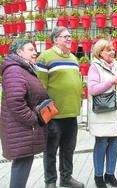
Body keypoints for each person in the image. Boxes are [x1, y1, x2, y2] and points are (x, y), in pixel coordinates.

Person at [37, 26, 84, 188]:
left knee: (68, 149)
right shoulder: (45, 57)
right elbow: (40, 87)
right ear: (55, 39)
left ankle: (66, 178)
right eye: (66, 36)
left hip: (71, 113)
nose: (69, 39)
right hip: (53, 115)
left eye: (70, 36)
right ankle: (50, 182)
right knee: (50, 151)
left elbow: (77, 80)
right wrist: (44, 111)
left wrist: (80, 96)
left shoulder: (73, 58)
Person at [0, 39, 48, 188]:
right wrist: (34, 119)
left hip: (23, 128)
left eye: (35, 49)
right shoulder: (14, 70)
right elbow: (16, 103)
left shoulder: (25, 68)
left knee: (23, 163)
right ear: (19, 52)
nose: (35, 53)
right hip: (21, 128)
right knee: (21, 165)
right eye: (30, 49)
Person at [87, 39, 117, 188]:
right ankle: (98, 176)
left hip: (116, 112)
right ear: (100, 53)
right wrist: (110, 82)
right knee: (102, 144)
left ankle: (110, 174)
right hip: (102, 113)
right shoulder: (95, 67)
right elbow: (92, 89)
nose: (112, 52)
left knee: (114, 144)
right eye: (108, 50)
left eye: (113, 49)